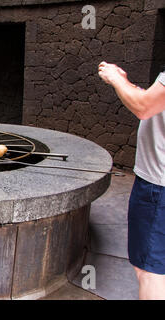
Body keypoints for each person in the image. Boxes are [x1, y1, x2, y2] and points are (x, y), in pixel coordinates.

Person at [98, 61, 165, 299]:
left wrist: (116, 78)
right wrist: (130, 86)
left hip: (159, 188)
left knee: (150, 270)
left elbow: (144, 107)